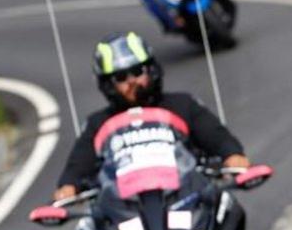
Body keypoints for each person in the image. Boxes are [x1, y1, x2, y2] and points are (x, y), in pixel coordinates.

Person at [54, 31, 248, 201]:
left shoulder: (182, 104)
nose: (131, 81)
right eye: (121, 77)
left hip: (188, 197)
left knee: (228, 215)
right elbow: (79, 163)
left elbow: (215, 135)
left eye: (137, 72)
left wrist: (232, 155)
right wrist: (68, 187)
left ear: (151, 70)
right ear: (108, 85)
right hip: (126, 210)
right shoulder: (98, 124)